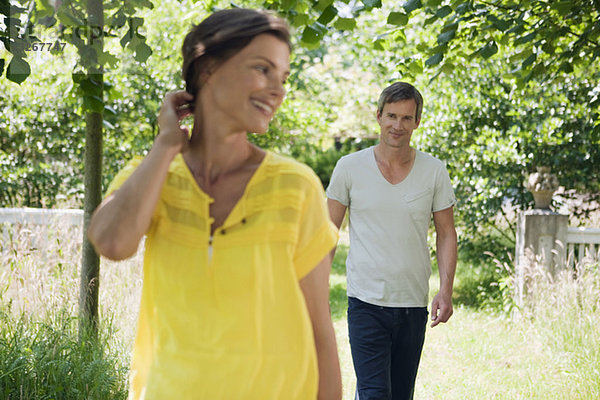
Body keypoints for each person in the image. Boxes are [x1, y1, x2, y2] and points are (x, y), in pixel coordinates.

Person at [87, 9, 341, 399]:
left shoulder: (296, 185)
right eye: (262, 69)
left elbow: (321, 332)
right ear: (207, 68)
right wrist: (166, 145)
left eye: (283, 77)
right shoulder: (152, 176)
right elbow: (113, 243)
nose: (278, 89)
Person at [326, 82, 457, 400]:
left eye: (407, 118)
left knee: (400, 394)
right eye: (392, 116)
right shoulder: (350, 168)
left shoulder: (434, 170)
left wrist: (445, 290)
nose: (398, 125)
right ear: (379, 116)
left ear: (417, 122)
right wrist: (317, 285)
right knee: (374, 393)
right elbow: (327, 230)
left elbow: (446, 233)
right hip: (365, 302)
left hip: (412, 304)